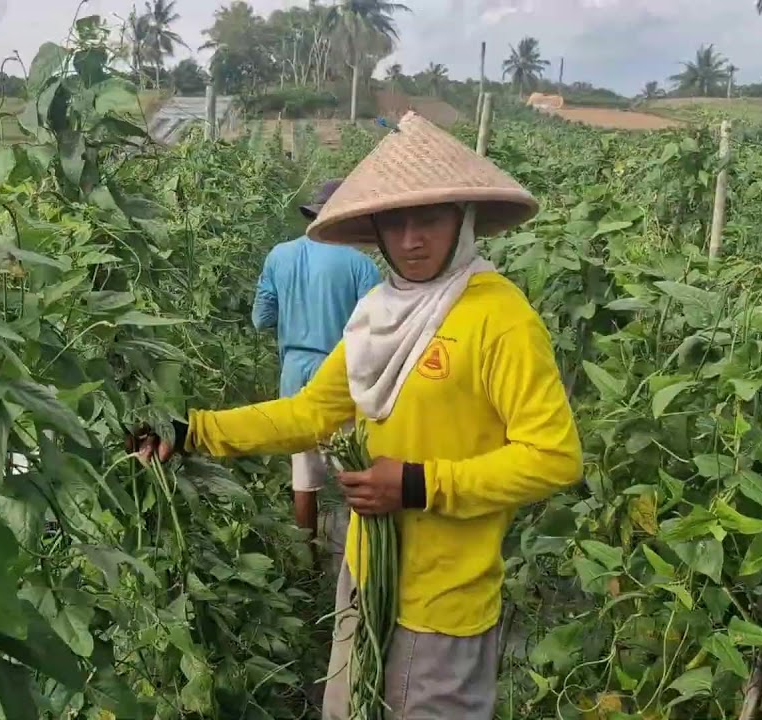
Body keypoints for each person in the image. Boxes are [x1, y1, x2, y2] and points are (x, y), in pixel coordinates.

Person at [129, 111, 582, 719]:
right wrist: (194, 432)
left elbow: (554, 457)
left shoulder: (500, 318)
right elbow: (312, 412)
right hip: (366, 576)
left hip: (443, 600)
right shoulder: (378, 311)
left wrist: (418, 484)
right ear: (377, 232)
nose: (412, 240)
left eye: (430, 219)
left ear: (464, 220)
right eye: (396, 223)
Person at [251, 178, 381, 557]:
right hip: (343, 373)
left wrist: (296, 314)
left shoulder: (280, 256)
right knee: (353, 466)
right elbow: (376, 326)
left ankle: (305, 559)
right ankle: (355, 556)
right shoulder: (360, 264)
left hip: (295, 371)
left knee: (303, 472)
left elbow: (261, 318)